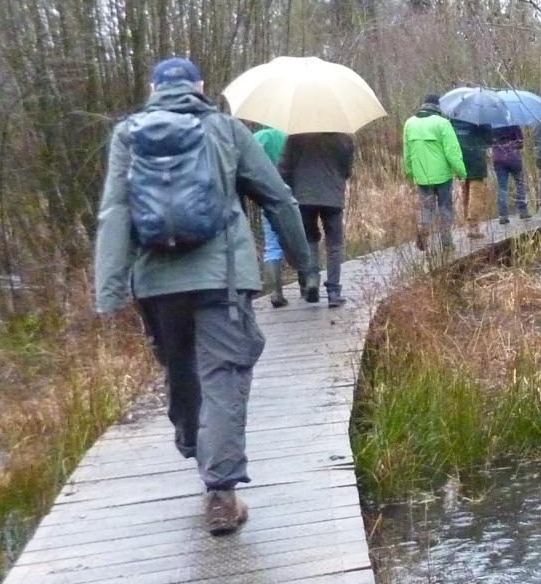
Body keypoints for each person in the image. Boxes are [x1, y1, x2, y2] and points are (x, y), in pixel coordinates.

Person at [93, 57, 315, 536]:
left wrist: (109, 292)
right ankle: (220, 491)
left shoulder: (128, 135)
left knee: (181, 373)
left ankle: (194, 441)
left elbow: (115, 213)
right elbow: (276, 196)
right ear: (200, 86)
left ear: (152, 87)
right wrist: (303, 260)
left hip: (155, 284)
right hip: (223, 279)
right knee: (224, 376)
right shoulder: (226, 130)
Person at [279, 132, 355, 307]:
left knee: (309, 238)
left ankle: (312, 280)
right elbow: (347, 170)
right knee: (334, 244)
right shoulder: (344, 138)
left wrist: (294, 185)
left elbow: (283, 169)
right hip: (333, 196)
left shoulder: (295, 137)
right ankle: (334, 291)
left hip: (304, 196)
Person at [402, 93, 467, 250]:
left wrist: (410, 172)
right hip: (442, 176)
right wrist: (461, 172)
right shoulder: (443, 123)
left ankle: (423, 231)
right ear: (438, 107)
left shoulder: (409, 124)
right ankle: (446, 242)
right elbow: (452, 151)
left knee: (426, 207)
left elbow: (406, 152)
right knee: (445, 207)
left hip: (421, 176)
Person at [251, 125, 289, 307]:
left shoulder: (257, 137)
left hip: (266, 194)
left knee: (271, 245)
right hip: (289, 194)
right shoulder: (287, 137)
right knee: (299, 239)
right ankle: (306, 286)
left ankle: (275, 292)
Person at [451, 119, 491, 235]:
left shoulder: (453, 121)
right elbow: (488, 140)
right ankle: (473, 225)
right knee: (476, 193)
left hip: (459, 159)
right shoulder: (480, 118)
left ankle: (467, 224)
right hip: (476, 159)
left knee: (466, 192)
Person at [491, 124, 528, 223]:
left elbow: (488, 141)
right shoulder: (513, 124)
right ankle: (523, 211)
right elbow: (520, 143)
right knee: (520, 183)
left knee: (502, 187)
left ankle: (503, 215)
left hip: (498, 159)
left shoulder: (491, 125)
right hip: (513, 158)